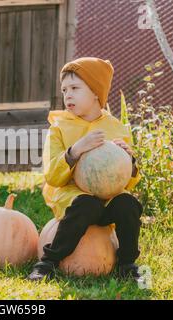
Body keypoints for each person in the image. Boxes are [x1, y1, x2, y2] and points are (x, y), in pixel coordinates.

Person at [27, 57, 143, 281]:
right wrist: (75, 151)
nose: (67, 94)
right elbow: (52, 175)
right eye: (64, 89)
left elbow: (128, 181)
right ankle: (48, 262)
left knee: (128, 204)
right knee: (85, 204)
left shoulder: (116, 128)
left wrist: (129, 161)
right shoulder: (59, 128)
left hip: (108, 198)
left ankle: (127, 264)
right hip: (74, 198)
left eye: (75, 88)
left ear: (96, 92)